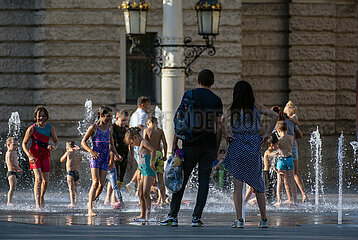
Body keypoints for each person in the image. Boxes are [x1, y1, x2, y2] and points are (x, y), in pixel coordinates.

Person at [160, 69, 223, 227]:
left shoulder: (190, 95)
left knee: (181, 179)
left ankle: (173, 216)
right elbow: (219, 126)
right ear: (212, 82)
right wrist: (216, 148)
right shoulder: (216, 100)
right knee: (203, 182)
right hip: (208, 146)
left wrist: (175, 142)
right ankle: (196, 218)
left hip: (190, 144)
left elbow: (180, 120)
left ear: (198, 81)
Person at [222, 80, 278, 228]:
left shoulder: (233, 108)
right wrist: (267, 133)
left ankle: (239, 220)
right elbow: (274, 115)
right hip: (253, 145)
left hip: (237, 144)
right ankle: (264, 219)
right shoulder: (256, 106)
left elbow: (221, 120)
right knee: (257, 181)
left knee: (238, 183)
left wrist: (227, 134)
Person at [81, 105, 121, 216]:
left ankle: (92, 202)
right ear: (101, 115)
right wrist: (91, 151)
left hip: (105, 158)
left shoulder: (109, 128)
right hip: (96, 158)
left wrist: (117, 154)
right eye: (108, 116)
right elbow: (83, 142)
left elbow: (111, 144)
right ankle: (90, 209)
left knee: (101, 185)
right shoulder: (94, 127)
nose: (110, 119)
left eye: (111, 116)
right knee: (95, 182)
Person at [22, 106, 59, 210]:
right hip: (34, 155)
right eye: (39, 116)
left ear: (46, 116)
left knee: (45, 181)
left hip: (46, 155)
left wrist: (54, 147)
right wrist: (29, 156)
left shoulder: (50, 127)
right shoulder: (32, 128)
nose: (41, 118)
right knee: (38, 179)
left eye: (43, 116)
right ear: (36, 116)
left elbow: (56, 141)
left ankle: (42, 196)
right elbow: (24, 144)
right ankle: (37, 204)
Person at [125, 127, 156, 221]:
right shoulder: (140, 145)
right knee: (140, 193)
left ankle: (148, 215)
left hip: (148, 171)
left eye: (132, 143)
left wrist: (151, 161)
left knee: (146, 193)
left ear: (135, 137)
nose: (133, 145)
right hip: (142, 171)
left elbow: (153, 150)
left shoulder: (144, 142)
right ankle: (142, 215)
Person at [126, 97, 151, 195]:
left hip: (133, 143)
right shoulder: (143, 114)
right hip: (140, 143)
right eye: (148, 104)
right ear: (142, 105)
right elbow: (140, 127)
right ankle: (136, 186)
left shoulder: (133, 115)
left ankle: (135, 185)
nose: (149, 106)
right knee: (144, 166)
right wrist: (143, 142)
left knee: (140, 165)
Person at [104, 109, 130, 206]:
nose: (125, 122)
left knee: (120, 179)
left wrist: (131, 155)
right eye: (123, 120)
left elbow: (129, 143)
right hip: (114, 156)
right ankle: (108, 197)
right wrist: (112, 154)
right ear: (117, 118)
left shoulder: (126, 129)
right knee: (113, 177)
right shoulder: (112, 128)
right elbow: (110, 143)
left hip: (124, 155)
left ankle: (114, 198)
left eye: (126, 120)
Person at [284, 101, 307, 203]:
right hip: (294, 148)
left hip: (284, 150)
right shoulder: (293, 123)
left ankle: (291, 198)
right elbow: (300, 135)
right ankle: (303, 194)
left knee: (284, 175)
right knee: (295, 173)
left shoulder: (283, 123)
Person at [143, 116, 168, 206]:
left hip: (151, 155)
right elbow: (165, 144)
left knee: (149, 178)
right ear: (156, 123)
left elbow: (144, 144)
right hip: (159, 154)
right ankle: (163, 200)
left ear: (148, 123)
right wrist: (165, 155)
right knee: (160, 178)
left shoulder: (146, 130)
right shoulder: (160, 131)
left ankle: (147, 199)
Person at [273, 121, 296, 206]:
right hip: (290, 159)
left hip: (281, 160)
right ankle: (294, 200)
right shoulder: (291, 137)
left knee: (280, 181)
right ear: (286, 129)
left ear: (278, 130)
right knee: (291, 180)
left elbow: (277, 150)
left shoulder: (279, 140)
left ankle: (279, 201)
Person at [60, 140, 82, 208]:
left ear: (67, 147)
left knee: (71, 189)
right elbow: (80, 160)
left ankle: (72, 203)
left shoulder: (68, 153)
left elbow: (61, 160)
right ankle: (76, 202)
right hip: (76, 172)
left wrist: (67, 152)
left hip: (70, 173)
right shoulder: (78, 153)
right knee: (75, 188)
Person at [5, 137, 23, 206]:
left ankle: (11, 200)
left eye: (17, 145)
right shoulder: (9, 153)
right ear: (8, 145)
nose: (16, 146)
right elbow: (10, 163)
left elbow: (15, 162)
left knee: (13, 187)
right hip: (11, 172)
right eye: (14, 145)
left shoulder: (14, 152)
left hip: (14, 172)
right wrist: (18, 168)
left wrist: (18, 168)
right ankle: (9, 202)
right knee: (12, 187)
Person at [263, 134, 279, 203]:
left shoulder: (272, 152)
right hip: (266, 173)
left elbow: (272, 164)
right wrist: (276, 153)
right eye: (277, 145)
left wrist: (276, 170)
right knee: (267, 190)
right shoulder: (267, 151)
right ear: (272, 145)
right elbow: (269, 155)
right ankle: (254, 201)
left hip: (270, 172)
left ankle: (270, 202)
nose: (278, 146)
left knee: (272, 189)